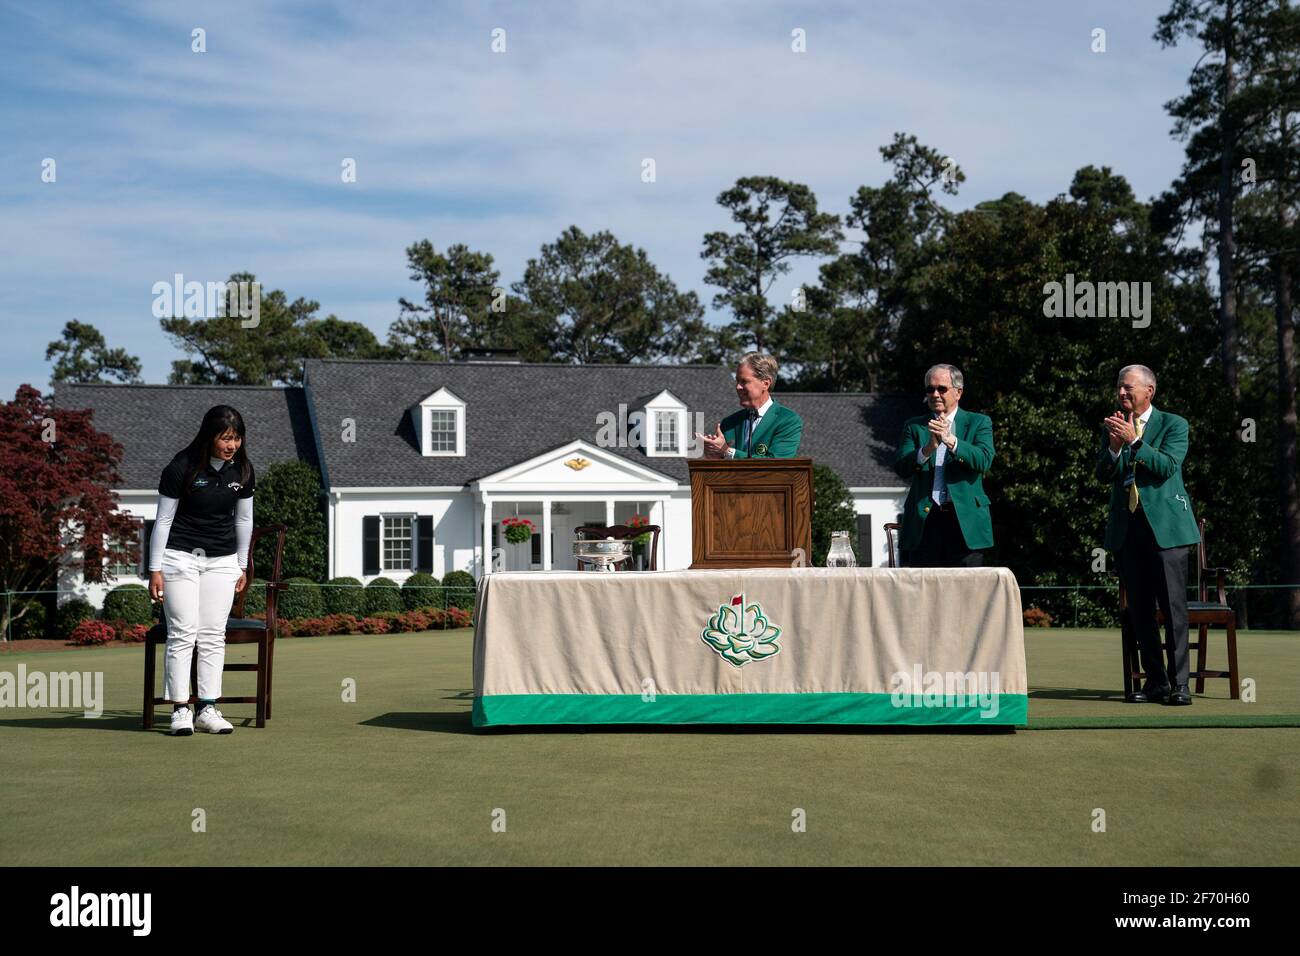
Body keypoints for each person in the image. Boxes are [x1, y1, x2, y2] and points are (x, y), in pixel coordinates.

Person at [1096, 365, 1200, 706]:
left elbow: (1167, 466)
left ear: (1149, 391)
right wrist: (1113, 449)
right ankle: (1156, 682)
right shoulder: (1114, 425)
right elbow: (1103, 474)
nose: (1122, 393)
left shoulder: (1174, 424)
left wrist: (1134, 442)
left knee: (1173, 609)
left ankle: (1179, 685)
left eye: (1128, 388)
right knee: (1140, 611)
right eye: (1119, 388)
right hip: (1128, 529)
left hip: (1167, 531)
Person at [148, 405, 255, 735]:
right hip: (179, 558)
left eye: (236, 438)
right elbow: (163, 520)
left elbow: (244, 520)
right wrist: (154, 569)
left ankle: (207, 708)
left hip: (222, 562)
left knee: (212, 634)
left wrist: (240, 564)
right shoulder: (181, 467)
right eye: (225, 438)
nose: (231, 445)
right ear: (209, 437)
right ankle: (180, 710)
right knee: (183, 631)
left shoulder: (243, 471)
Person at [893, 364, 994, 567]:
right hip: (925, 522)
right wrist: (928, 448)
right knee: (923, 593)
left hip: (965, 522)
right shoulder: (914, 426)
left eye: (942, 389)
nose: (935, 394)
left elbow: (984, 460)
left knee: (967, 592)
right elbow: (901, 467)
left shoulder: (978, 422)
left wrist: (951, 441)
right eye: (930, 389)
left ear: (958, 392)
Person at [695, 352, 803, 459]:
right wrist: (714, 455)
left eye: (744, 381)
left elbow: (776, 464)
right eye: (737, 381)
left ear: (765, 384)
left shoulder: (788, 421)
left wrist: (727, 451)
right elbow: (719, 469)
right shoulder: (729, 423)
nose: (738, 387)